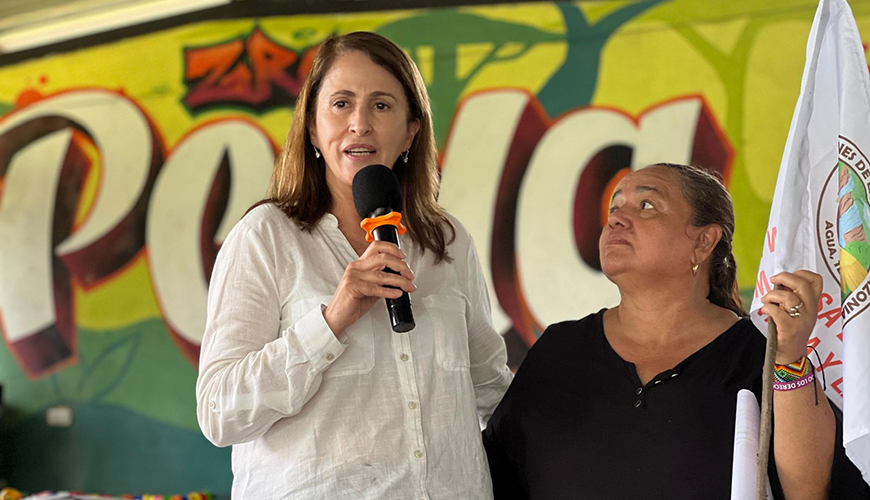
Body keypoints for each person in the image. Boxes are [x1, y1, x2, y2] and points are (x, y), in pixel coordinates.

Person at [196, 31, 512, 499]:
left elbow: (490, 389)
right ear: (311, 127)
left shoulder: (446, 241)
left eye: (381, 105)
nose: (359, 124)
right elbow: (220, 412)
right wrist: (333, 318)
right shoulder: (266, 236)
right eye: (341, 104)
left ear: (410, 131)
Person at [482, 163, 869, 499]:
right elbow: (490, 475)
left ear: (703, 242)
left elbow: (809, 492)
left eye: (646, 205)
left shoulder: (760, 352)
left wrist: (788, 356)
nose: (616, 217)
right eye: (614, 207)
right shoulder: (559, 351)